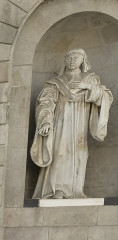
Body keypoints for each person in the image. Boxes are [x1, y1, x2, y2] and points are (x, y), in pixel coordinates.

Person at [30, 48, 113, 199]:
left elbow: (105, 96)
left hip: (79, 125)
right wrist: (45, 121)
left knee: (79, 154)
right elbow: (45, 102)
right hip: (60, 124)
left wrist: (87, 87)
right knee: (59, 152)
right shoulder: (55, 82)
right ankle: (56, 189)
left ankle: (75, 190)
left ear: (83, 60)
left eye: (76, 57)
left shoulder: (90, 79)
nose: (72, 60)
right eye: (69, 57)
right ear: (65, 60)